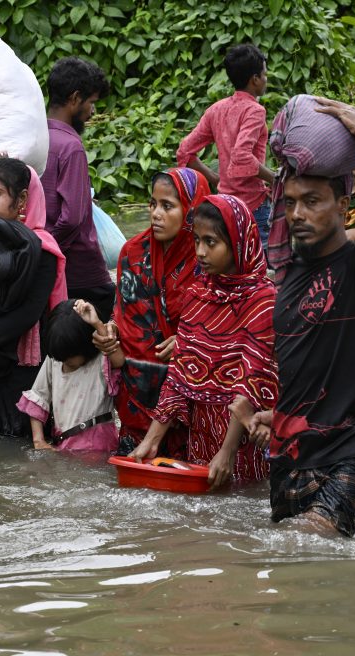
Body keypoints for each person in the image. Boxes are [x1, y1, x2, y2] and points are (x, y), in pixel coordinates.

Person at [252, 98, 355, 536]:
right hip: (290, 450)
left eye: (312, 201)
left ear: (342, 204)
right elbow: (302, 361)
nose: (297, 213)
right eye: (291, 202)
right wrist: (274, 414)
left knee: (305, 544)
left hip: (351, 446)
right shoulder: (290, 273)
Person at [130, 195, 277, 488]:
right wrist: (151, 440)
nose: (200, 252)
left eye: (211, 242)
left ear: (238, 242)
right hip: (201, 435)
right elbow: (178, 374)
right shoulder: (198, 295)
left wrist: (228, 451)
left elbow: (252, 381)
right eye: (197, 240)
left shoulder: (264, 301)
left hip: (246, 440)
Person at [105, 168, 210, 457]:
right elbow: (124, 311)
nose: (156, 214)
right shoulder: (132, 253)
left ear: (192, 210)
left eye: (168, 206)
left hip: (191, 397)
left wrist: (188, 340)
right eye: (153, 204)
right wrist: (111, 329)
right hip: (137, 393)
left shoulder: (209, 260)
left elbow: (222, 322)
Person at [0, 158, 59, 436]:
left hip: (21, 365)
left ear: (21, 200)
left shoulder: (42, 249)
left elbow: (27, 313)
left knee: (13, 436)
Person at [176, 43, 274, 247]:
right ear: (255, 79)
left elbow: (185, 151)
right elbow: (242, 157)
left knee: (232, 263)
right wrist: (275, 179)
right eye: (264, 74)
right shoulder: (255, 111)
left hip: (224, 206)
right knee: (263, 265)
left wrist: (214, 178)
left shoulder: (217, 109)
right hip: (253, 206)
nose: (266, 78)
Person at [41, 56, 115, 318]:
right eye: (91, 102)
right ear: (74, 99)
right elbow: (72, 218)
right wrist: (50, 247)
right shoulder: (71, 147)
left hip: (45, 266)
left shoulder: (34, 137)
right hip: (79, 267)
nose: (92, 111)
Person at [18, 299, 123, 453]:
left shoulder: (101, 359)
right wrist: (39, 440)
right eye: (61, 359)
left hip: (98, 445)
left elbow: (119, 360)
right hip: (62, 442)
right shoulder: (55, 358)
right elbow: (38, 398)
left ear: (87, 347)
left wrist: (97, 324)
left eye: (69, 358)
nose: (64, 363)